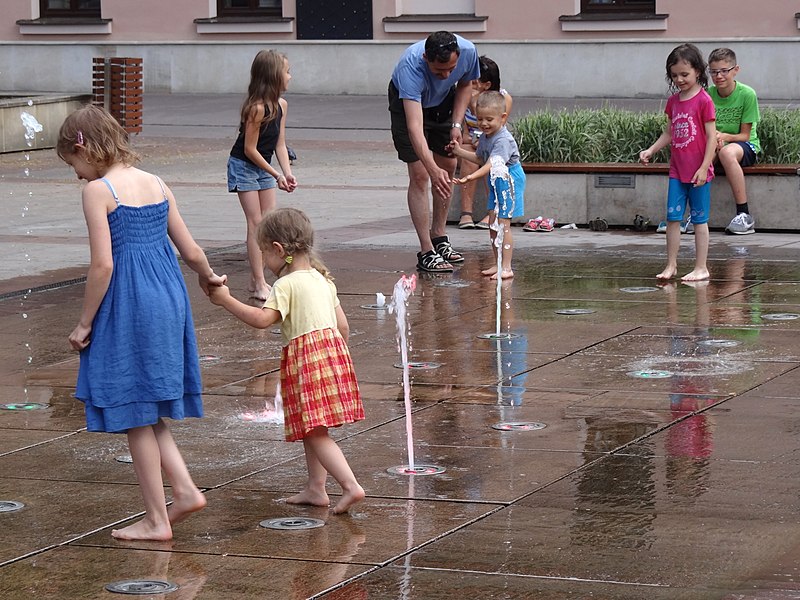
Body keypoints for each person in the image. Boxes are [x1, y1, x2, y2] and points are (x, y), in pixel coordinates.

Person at [57, 105, 226, 541]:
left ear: (86, 149)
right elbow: (190, 250)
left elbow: (102, 266)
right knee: (148, 410)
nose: (76, 175)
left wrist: (83, 323)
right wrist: (209, 278)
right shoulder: (156, 182)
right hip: (169, 297)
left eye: (73, 164)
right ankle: (185, 491)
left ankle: (156, 519)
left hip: (129, 303)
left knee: (133, 409)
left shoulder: (99, 190)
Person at [208, 208, 365, 514]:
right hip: (332, 355)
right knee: (314, 428)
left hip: (307, 360)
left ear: (279, 250)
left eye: (264, 253)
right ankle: (316, 488)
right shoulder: (322, 280)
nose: (265, 261)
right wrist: (335, 359)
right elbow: (343, 326)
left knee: (317, 432)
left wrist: (225, 300)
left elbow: (262, 319)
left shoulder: (286, 285)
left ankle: (350, 486)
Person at [389, 30, 480, 272]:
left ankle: (439, 236)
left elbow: (464, 85)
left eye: (451, 68)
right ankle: (426, 249)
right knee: (420, 174)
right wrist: (431, 168)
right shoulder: (410, 67)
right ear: (425, 59)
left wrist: (457, 124)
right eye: (439, 71)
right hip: (409, 105)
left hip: (443, 103)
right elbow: (415, 127)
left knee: (448, 168)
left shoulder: (469, 51)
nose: (446, 74)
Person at [639, 43, 716, 282]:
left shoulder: (704, 101)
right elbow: (669, 133)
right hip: (677, 171)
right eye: (675, 75)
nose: (680, 79)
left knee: (699, 220)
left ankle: (701, 266)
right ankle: (671, 264)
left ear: (698, 72)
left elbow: (712, 136)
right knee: (673, 218)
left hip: (698, 173)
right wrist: (651, 150)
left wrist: (704, 167)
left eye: (685, 74)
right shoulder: (674, 102)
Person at [228, 49, 298, 301]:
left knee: (268, 224)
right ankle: (259, 283)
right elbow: (249, 149)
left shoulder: (282, 105)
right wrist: (275, 174)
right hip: (244, 165)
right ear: (273, 75)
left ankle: (256, 278)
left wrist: (286, 173)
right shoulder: (256, 109)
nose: (290, 76)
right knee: (255, 223)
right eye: (287, 72)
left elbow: (280, 143)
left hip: (263, 167)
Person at [450, 91, 525, 280]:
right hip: (495, 179)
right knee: (493, 223)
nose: (484, 124)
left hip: (509, 180)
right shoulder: (485, 136)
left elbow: (491, 163)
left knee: (503, 223)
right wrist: (459, 151)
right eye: (480, 119)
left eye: (489, 119)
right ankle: (498, 263)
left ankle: (506, 266)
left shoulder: (502, 139)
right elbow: (480, 158)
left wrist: (470, 177)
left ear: (503, 117)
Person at [707, 47, 761, 235]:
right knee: (702, 154)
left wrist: (724, 137)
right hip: (716, 144)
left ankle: (744, 215)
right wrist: (715, 138)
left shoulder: (747, 94)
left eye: (724, 71)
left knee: (726, 152)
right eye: (713, 72)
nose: (718, 76)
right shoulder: (708, 95)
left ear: (735, 70)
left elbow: (745, 136)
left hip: (744, 146)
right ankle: (694, 215)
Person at [457, 56, 514, 230]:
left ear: (487, 85)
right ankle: (466, 213)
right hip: (473, 143)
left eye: (475, 82)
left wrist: (475, 106)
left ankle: (492, 213)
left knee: (492, 161)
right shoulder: (464, 96)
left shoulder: (503, 99)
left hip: (492, 142)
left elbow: (496, 129)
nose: (470, 85)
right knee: (468, 155)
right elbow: (465, 133)